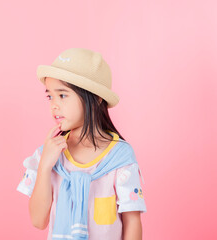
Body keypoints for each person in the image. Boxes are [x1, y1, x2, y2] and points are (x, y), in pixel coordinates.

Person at [17, 48, 147, 240]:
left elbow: (132, 222)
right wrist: (45, 166)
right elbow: (38, 221)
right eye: (50, 96)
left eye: (62, 95)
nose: (53, 105)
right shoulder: (48, 155)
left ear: (95, 99)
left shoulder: (120, 158)